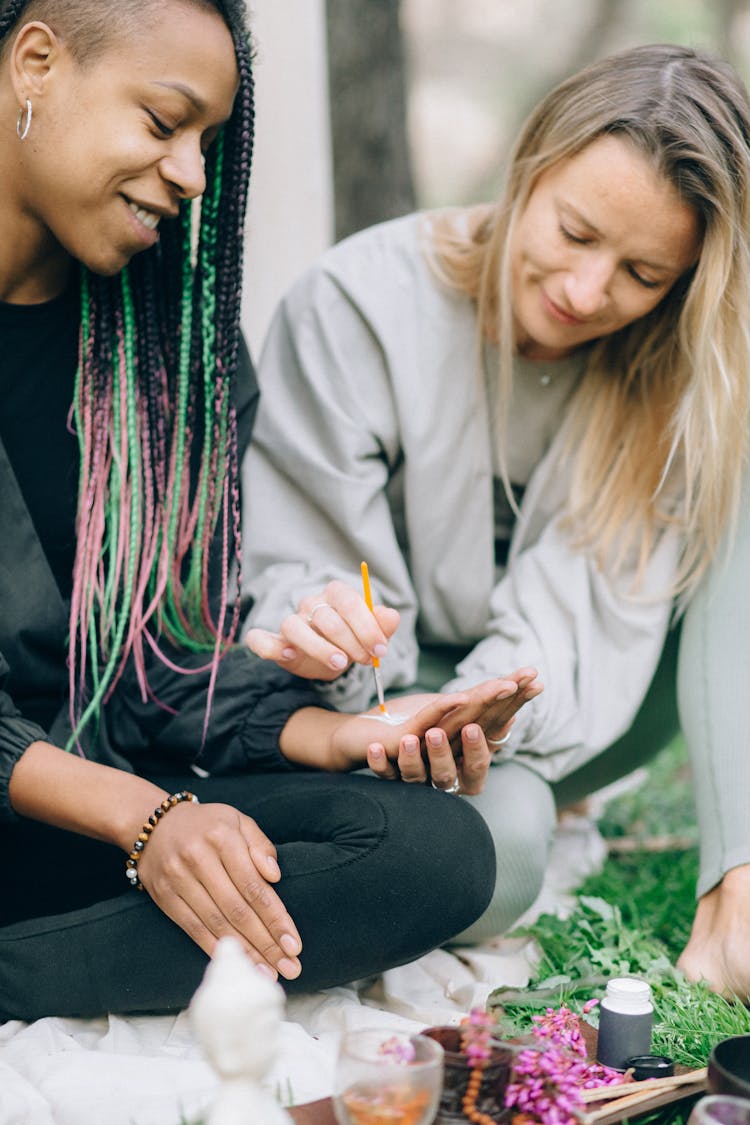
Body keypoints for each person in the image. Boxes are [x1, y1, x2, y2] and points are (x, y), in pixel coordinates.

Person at [0, 0, 544, 1023]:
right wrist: (148, 819)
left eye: (209, 141)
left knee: (433, 850)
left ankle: (25, 972)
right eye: (165, 122)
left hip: (91, 810)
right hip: (94, 803)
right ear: (36, 63)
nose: (194, 175)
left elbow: (163, 675)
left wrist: (355, 736)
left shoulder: (175, 353)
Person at [243, 44, 750, 953]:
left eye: (643, 275)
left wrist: (503, 706)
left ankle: (730, 886)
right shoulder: (356, 305)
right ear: (528, 168)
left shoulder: (670, 371)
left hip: (548, 701)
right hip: (374, 705)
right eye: (576, 232)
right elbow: (303, 560)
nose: (588, 292)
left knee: (503, 858)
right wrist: (333, 639)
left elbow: (579, 629)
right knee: (497, 859)